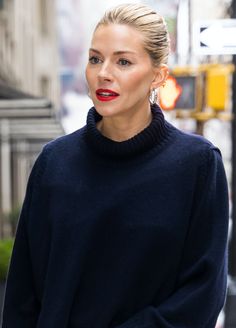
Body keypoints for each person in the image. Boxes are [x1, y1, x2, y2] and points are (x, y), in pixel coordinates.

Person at [1, 3, 229, 328]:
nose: (104, 72)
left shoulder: (197, 165)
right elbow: (23, 294)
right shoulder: (54, 163)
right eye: (95, 59)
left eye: (123, 61)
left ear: (158, 75)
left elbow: (202, 295)